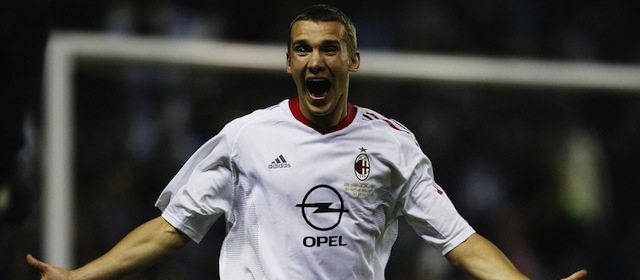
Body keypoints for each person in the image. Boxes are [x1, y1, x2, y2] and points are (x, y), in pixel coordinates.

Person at [27, 4, 587, 280]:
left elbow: (462, 242)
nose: (315, 60)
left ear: (352, 60)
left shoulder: (392, 146)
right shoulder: (247, 136)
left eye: (328, 48)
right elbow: (173, 230)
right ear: (289, 61)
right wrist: (82, 276)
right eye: (302, 49)